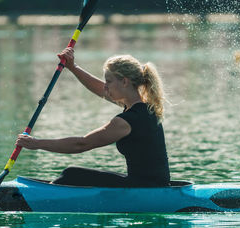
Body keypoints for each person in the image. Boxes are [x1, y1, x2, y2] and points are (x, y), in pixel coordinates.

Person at [16, 48, 170, 187]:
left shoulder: (125, 122)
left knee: (72, 174)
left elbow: (81, 144)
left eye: (108, 81)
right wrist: (72, 67)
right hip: (152, 184)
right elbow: (100, 89)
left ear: (124, 82)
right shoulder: (146, 108)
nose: (105, 86)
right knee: (73, 175)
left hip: (146, 189)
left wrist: (37, 144)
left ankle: (44, 195)